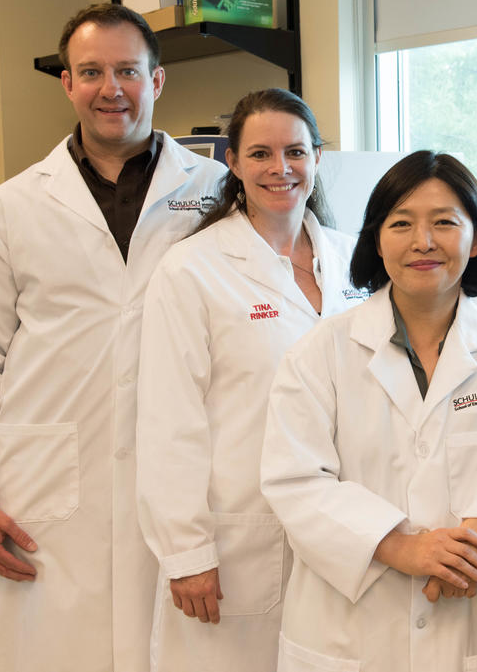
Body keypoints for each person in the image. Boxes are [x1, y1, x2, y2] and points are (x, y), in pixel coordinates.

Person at [0, 3, 226, 672]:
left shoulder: (216, 192)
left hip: (179, 471)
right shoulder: (11, 206)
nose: (111, 87)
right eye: (91, 71)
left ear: (157, 80)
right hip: (47, 480)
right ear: (67, 83)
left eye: (128, 69)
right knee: (52, 648)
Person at [261, 150, 477, 672]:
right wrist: (404, 548)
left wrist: (467, 545)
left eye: (445, 222)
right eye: (401, 223)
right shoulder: (321, 351)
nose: (424, 241)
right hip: (345, 630)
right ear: (377, 240)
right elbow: (295, 483)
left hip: (459, 621)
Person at [135, 88, 367, 672]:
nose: (280, 168)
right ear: (233, 163)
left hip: (346, 523)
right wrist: (186, 552)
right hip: (241, 528)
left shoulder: (357, 261)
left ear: (316, 157)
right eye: (260, 153)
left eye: (295, 151)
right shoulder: (192, 269)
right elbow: (169, 421)